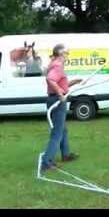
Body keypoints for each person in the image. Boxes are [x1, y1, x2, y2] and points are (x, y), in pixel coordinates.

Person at [40, 44, 82, 174]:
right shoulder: (57, 65)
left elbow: (57, 82)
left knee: (62, 130)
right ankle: (46, 162)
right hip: (57, 101)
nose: (67, 56)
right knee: (57, 133)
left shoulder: (55, 64)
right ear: (61, 54)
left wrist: (72, 83)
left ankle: (66, 154)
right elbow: (51, 79)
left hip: (55, 99)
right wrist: (59, 93)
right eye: (66, 53)